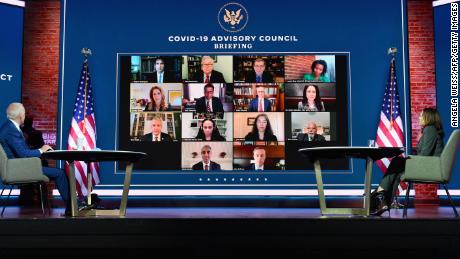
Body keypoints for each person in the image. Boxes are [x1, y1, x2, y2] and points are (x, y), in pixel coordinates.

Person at [371, 107, 445, 216]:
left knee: (397, 162)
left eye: (421, 115)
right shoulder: (431, 130)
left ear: (428, 118)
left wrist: (410, 159)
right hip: (429, 165)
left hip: (430, 168)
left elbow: (424, 154)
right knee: (396, 170)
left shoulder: (430, 129)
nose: (419, 117)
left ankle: (379, 195)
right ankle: (383, 202)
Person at [0, 103, 71, 215]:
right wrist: (41, 150)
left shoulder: (9, 127)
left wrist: (41, 151)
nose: (25, 115)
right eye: (24, 113)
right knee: (60, 173)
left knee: (57, 172)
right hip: (20, 168)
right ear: (20, 115)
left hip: (20, 166)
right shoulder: (10, 130)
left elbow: (21, 152)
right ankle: (72, 207)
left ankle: (72, 205)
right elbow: (23, 154)